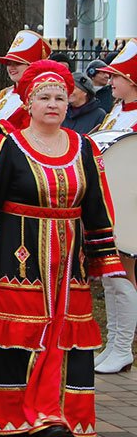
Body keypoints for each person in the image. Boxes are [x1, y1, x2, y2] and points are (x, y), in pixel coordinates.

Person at [0, 60, 125, 437]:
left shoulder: (84, 148)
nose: (53, 104)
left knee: (70, 332)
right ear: (28, 103)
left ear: (69, 103)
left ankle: (62, 412)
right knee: (21, 330)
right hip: (19, 256)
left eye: (60, 97)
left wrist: (105, 257)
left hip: (69, 261)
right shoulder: (7, 145)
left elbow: (96, 205)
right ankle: (17, 414)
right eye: (44, 97)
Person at [88, 40, 137, 374]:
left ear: (132, 80)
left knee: (124, 274)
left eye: (116, 76)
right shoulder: (117, 110)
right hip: (110, 200)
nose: (111, 82)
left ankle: (123, 347)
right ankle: (114, 345)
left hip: (128, 205)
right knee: (110, 274)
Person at [0, 30, 52, 124]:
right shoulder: (6, 93)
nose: (12, 67)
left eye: (18, 63)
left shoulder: (38, 97)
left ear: (32, 67)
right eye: (9, 63)